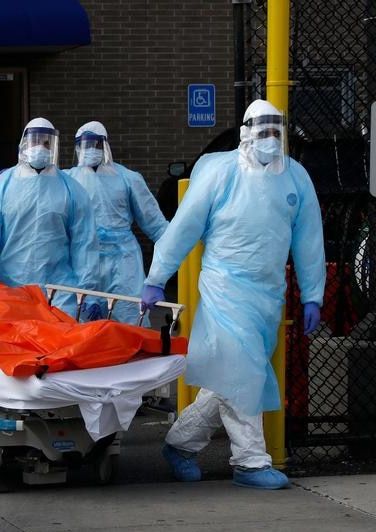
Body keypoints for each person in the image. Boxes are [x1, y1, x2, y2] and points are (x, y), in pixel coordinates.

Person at [141, 99, 325, 489]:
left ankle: (180, 443)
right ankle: (251, 462)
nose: (271, 139)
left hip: (267, 294)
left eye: (278, 130)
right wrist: (157, 277)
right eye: (263, 130)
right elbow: (183, 228)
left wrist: (314, 294)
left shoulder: (296, 178)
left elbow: (309, 240)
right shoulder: (221, 175)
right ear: (245, 132)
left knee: (232, 377)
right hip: (225, 287)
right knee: (244, 374)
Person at [0, 117, 100, 317]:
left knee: (60, 343)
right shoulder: (0, 187)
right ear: (23, 145)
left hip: (59, 293)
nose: (40, 147)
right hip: (10, 289)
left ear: (54, 146)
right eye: (34, 141)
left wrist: (88, 292)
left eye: (46, 142)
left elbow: (84, 244)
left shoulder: (72, 189)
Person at [65, 121, 168, 324]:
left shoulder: (128, 179)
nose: (90, 150)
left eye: (95, 145)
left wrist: (176, 253)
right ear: (77, 148)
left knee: (130, 320)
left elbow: (156, 224)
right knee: (86, 329)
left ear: (105, 146)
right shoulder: (66, 180)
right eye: (85, 145)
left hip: (124, 264)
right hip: (84, 263)